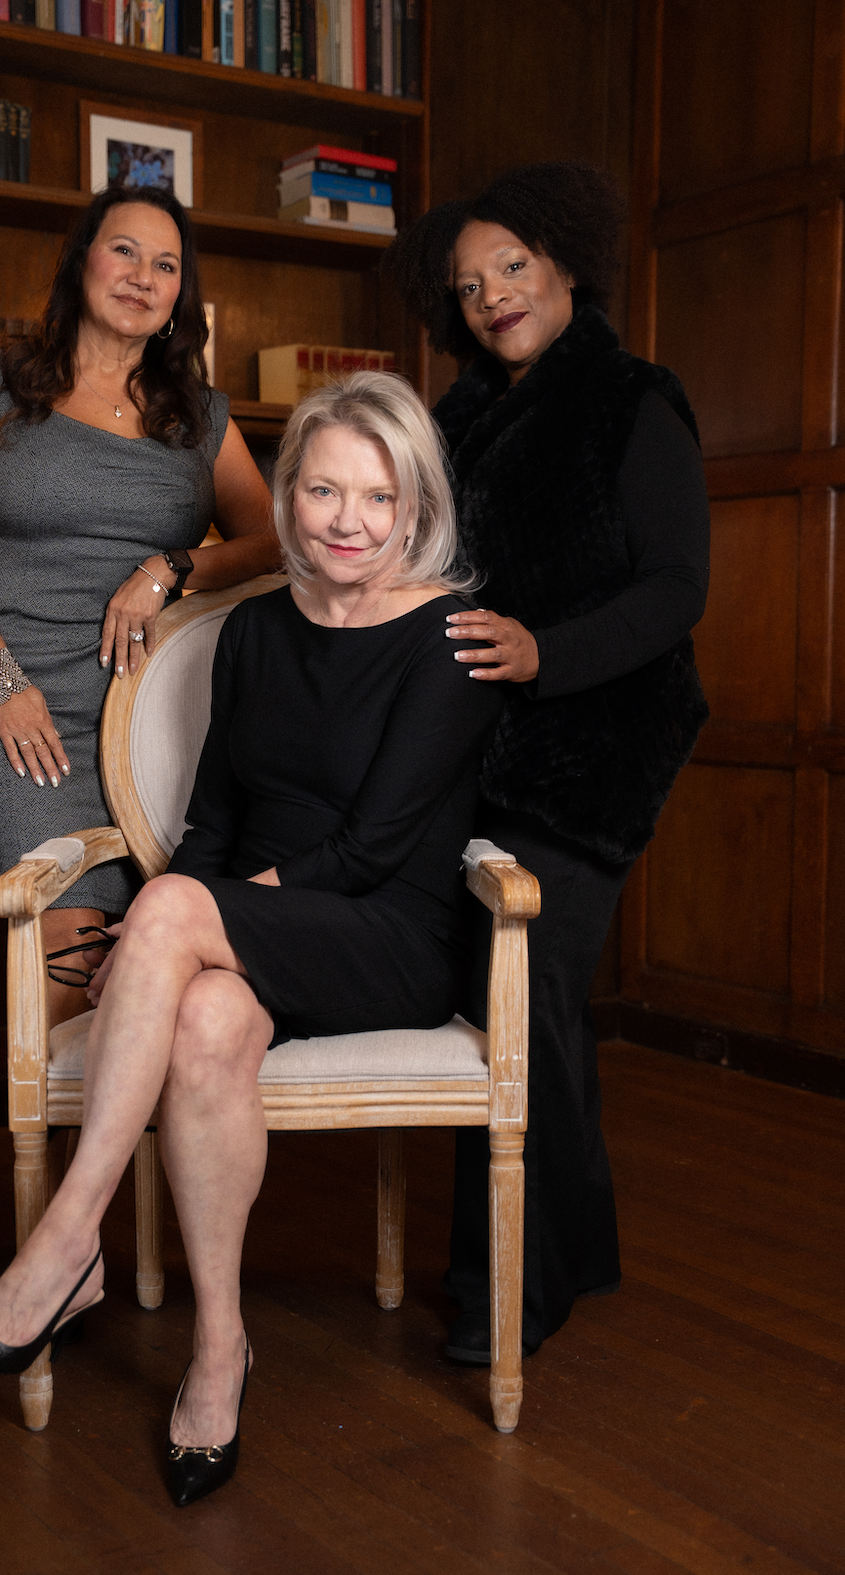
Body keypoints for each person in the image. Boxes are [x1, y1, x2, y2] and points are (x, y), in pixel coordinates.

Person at [0, 372, 505, 1506]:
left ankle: (66, 1244)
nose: (346, 520)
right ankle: (220, 1348)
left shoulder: (448, 639)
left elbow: (369, 852)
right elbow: (213, 827)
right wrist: (185, 923)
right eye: (323, 491)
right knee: (201, 1018)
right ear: (287, 500)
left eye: (377, 497)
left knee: (177, 912)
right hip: (255, 926)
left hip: (383, 935)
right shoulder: (254, 633)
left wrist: (177, 917)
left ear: (416, 506)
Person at [389, 162, 710, 1364]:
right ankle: (584, 1246)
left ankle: (509, 1287)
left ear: (566, 261)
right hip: (487, 751)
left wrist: (542, 652)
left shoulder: (635, 399)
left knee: (513, 999)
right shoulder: (458, 419)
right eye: (469, 286)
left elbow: (676, 590)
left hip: (600, 746)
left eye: (512, 267)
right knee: (539, 1005)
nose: (493, 298)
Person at [0, 184, 279, 1026]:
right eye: (125, 251)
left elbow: (272, 544)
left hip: (152, 709)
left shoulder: (200, 415)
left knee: (156, 942)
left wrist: (171, 567)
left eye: (166, 264)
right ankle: (49, 1115)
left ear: (180, 295)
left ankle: (137, 1108)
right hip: (14, 697)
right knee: (73, 937)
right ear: (82, 262)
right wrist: (4, 686)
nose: (143, 276)